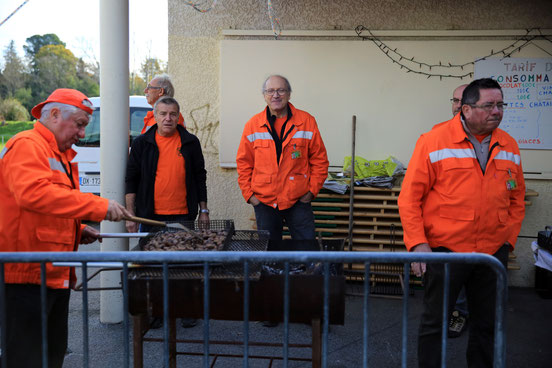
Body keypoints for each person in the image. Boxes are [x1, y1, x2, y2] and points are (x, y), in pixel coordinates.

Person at [398, 78, 526, 368]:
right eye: (489, 105)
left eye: (500, 104)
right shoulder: (433, 140)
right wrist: (418, 243)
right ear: (465, 110)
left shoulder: (509, 145)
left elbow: (516, 198)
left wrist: (508, 240)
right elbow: (409, 198)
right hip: (445, 251)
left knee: (487, 325)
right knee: (435, 323)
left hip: (491, 253)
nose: (497, 111)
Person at [0, 88, 131, 368]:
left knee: (51, 354)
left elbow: (49, 207)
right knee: (27, 358)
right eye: (80, 124)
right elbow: (33, 194)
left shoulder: (57, 152)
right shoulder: (27, 144)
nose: (83, 134)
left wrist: (77, 228)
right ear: (55, 114)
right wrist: (97, 207)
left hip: (50, 273)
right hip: (25, 276)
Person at [125, 96, 208, 328]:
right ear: (155, 115)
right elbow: (131, 179)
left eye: (172, 114)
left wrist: (204, 210)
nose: (168, 118)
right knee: (153, 266)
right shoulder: (142, 143)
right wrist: (130, 215)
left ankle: (187, 309)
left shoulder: (190, 142)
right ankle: (158, 311)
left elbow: (200, 177)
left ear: (178, 116)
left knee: (185, 265)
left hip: (183, 215)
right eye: (163, 114)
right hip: (150, 216)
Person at [236, 75, 329, 244]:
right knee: (269, 255)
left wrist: (310, 192)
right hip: (264, 201)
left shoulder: (306, 121)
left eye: (281, 90)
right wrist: (250, 196)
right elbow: (244, 164)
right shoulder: (253, 125)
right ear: (264, 95)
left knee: (306, 250)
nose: (276, 95)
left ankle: (307, 271)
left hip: (298, 200)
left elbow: (320, 161)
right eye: (270, 91)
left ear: (289, 94)